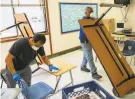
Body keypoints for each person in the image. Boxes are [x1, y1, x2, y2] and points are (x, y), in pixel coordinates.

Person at [79, 7, 102, 80]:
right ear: (85, 12)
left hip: (89, 40)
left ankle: (83, 66)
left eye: (91, 12)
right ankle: (94, 73)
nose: (90, 14)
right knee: (89, 56)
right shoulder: (83, 21)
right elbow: (87, 31)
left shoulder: (90, 19)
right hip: (84, 40)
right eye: (89, 12)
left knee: (86, 54)